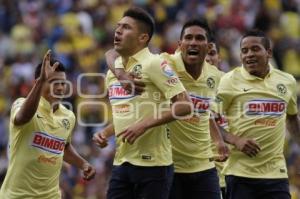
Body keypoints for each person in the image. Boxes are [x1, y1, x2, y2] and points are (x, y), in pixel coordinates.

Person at [98, 7, 192, 199]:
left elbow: (185, 106)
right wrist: (106, 132)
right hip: (122, 162)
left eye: (126, 28)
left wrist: (144, 125)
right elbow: (129, 114)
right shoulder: (113, 72)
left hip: (154, 166)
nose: (118, 31)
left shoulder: (154, 63)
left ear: (142, 38)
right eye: (118, 27)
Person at [215, 29, 300, 199]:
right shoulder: (230, 80)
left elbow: (291, 118)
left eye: (255, 49)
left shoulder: (287, 81)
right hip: (240, 174)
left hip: (276, 174)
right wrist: (236, 140)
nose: (249, 55)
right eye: (244, 51)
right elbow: (210, 119)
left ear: (268, 52)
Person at [0, 50, 96, 199]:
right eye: (53, 82)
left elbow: (63, 145)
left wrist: (83, 164)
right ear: (38, 82)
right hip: (16, 196)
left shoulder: (68, 116)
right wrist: (41, 81)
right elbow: (22, 118)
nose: (60, 88)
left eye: (63, 83)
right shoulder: (21, 104)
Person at [206, 38, 227, 199]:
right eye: (204, 53)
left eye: (212, 53)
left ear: (219, 57)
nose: (207, 58)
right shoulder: (183, 87)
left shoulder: (232, 85)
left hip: (232, 173)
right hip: (200, 171)